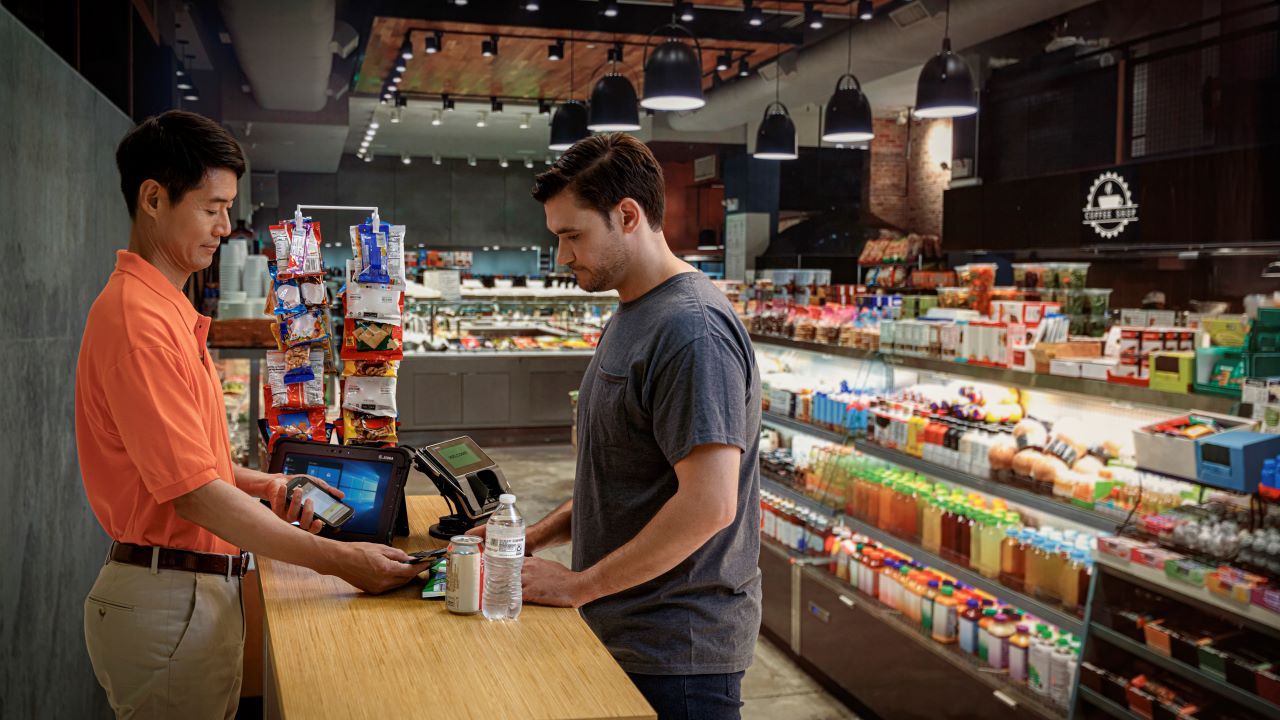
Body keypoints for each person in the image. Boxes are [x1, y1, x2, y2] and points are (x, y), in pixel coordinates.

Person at [75, 110, 422, 720]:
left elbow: (191, 469)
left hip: (184, 594)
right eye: (212, 207)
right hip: (169, 600)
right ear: (153, 198)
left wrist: (270, 485)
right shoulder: (141, 320)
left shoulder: (166, 309)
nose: (226, 227)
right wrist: (343, 562)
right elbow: (195, 496)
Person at [474, 133, 762, 719]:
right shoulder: (635, 312)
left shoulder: (692, 330)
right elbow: (629, 480)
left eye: (572, 235)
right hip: (627, 631)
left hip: (677, 655)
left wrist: (580, 585)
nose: (562, 257)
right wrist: (535, 536)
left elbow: (709, 504)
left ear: (627, 215)